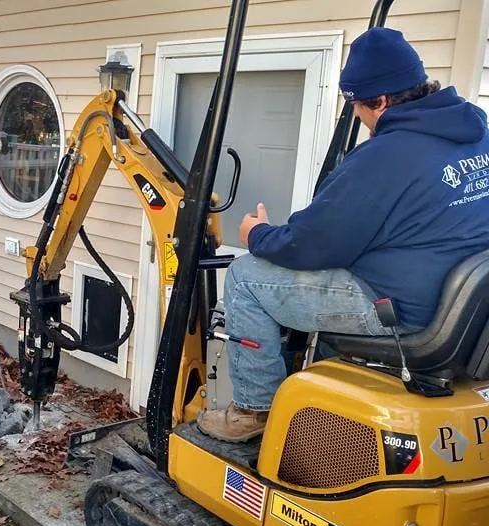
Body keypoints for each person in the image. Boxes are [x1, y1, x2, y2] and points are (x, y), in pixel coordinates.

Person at [196, 27, 489, 442]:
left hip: (401, 307)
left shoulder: (386, 155)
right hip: (460, 305)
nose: (356, 114)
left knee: (246, 277)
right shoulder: (475, 132)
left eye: (355, 104)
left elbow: (313, 245)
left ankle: (253, 410)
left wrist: (258, 233)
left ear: (382, 101)